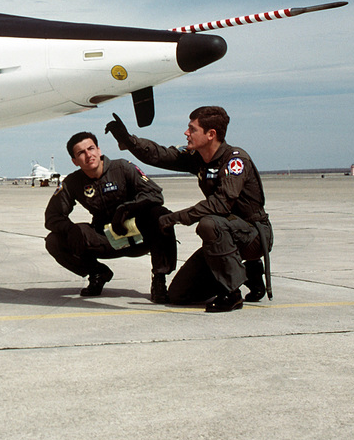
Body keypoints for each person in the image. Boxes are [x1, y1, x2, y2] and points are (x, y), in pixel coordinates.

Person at [105, 106, 272, 313]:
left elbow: (220, 204)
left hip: (253, 234)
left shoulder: (235, 160)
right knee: (179, 295)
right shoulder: (198, 158)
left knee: (209, 223)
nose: (186, 133)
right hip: (225, 235)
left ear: (211, 134)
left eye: (192, 129)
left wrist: (175, 218)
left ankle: (232, 293)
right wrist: (129, 141)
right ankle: (248, 271)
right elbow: (160, 155)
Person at [44, 131, 177, 301]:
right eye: (81, 153)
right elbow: (52, 216)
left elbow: (155, 194)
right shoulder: (72, 182)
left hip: (138, 235)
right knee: (54, 240)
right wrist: (70, 229)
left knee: (161, 215)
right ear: (75, 161)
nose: (88, 155)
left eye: (91, 149)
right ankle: (98, 273)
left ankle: (159, 279)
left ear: (99, 150)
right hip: (105, 238)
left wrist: (126, 210)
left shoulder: (122, 167)